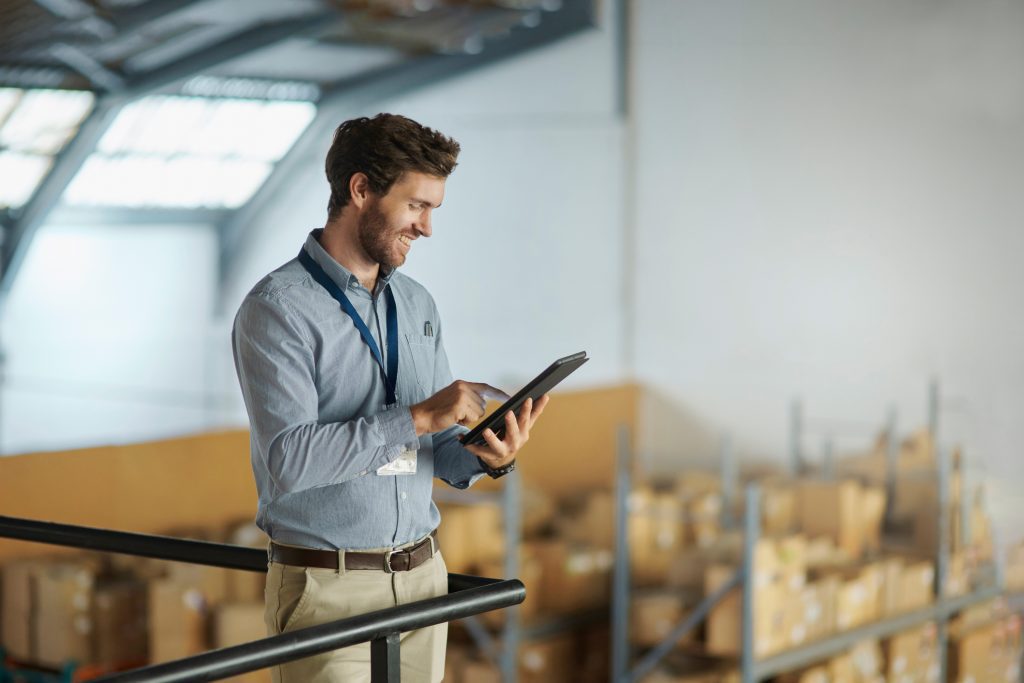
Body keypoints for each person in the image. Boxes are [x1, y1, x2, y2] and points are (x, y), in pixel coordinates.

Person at [230, 113, 548, 682]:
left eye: (434, 209)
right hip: (330, 591)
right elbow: (289, 462)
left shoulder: (419, 304)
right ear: (360, 190)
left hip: (426, 583)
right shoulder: (277, 309)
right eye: (416, 206)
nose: (427, 227)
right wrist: (419, 415)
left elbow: (441, 456)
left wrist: (492, 454)